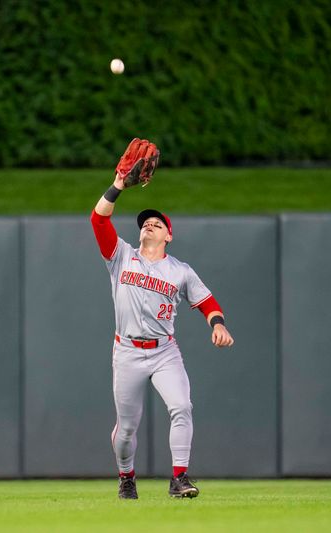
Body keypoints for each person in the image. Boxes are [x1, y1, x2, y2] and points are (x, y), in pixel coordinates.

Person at [90, 139, 234, 499]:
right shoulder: (121, 256)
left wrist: (217, 323)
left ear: (169, 235)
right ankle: (127, 478)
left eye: (157, 223)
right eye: (146, 222)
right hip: (126, 351)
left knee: (182, 406)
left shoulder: (180, 271)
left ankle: (179, 478)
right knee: (126, 429)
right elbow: (98, 218)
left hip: (163, 351)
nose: (149, 225)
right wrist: (119, 184)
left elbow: (207, 301)